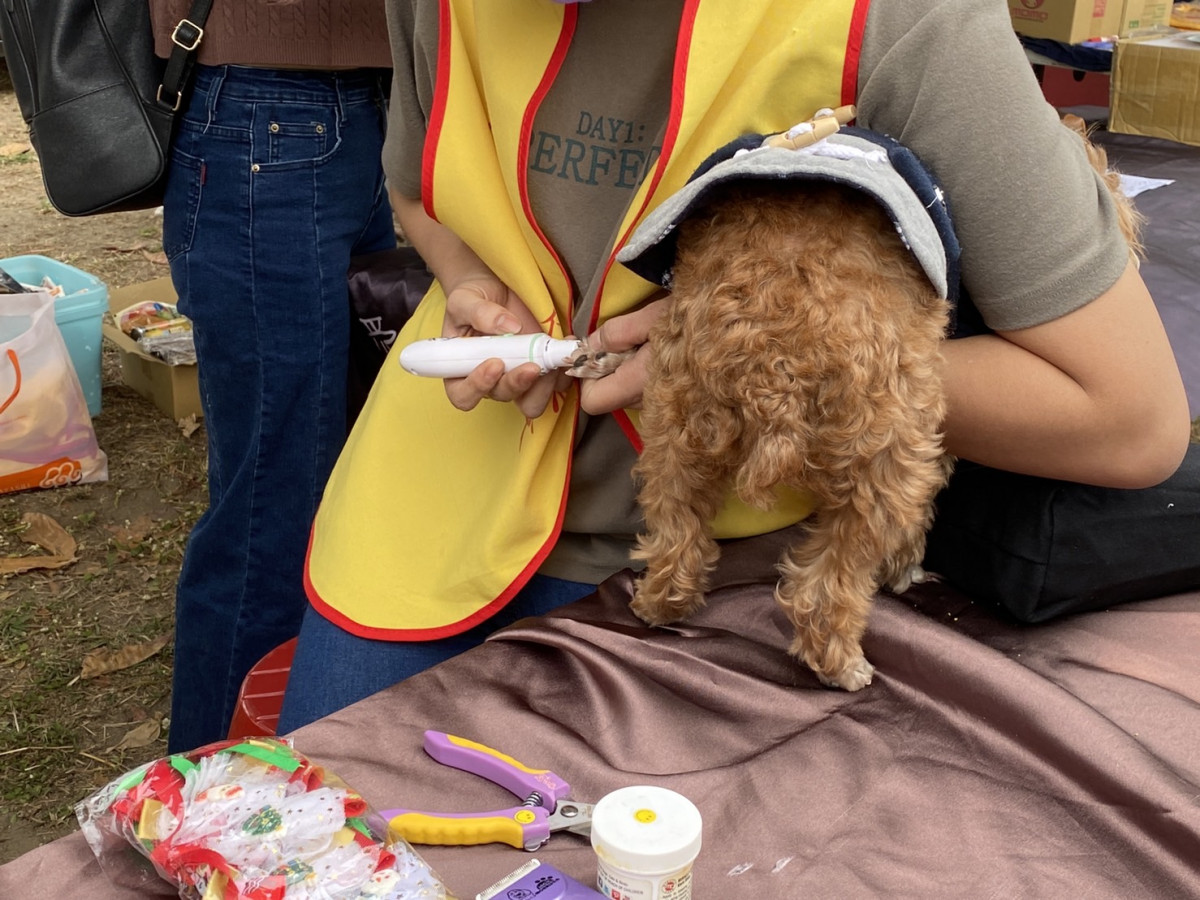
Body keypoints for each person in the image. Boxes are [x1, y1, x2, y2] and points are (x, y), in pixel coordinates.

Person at [277, 0, 1190, 732]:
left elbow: (1127, 418)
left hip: (730, 550)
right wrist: (472, 282)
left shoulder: (909, 21)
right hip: (433, 495)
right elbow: (417, 186)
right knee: (314, 823)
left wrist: (770, 346)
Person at [148, 0, 397, 752]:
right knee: (272, 504)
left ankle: (293, 748)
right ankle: (206, 794)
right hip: (269, 108)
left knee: (337, 470)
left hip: (344, 107)